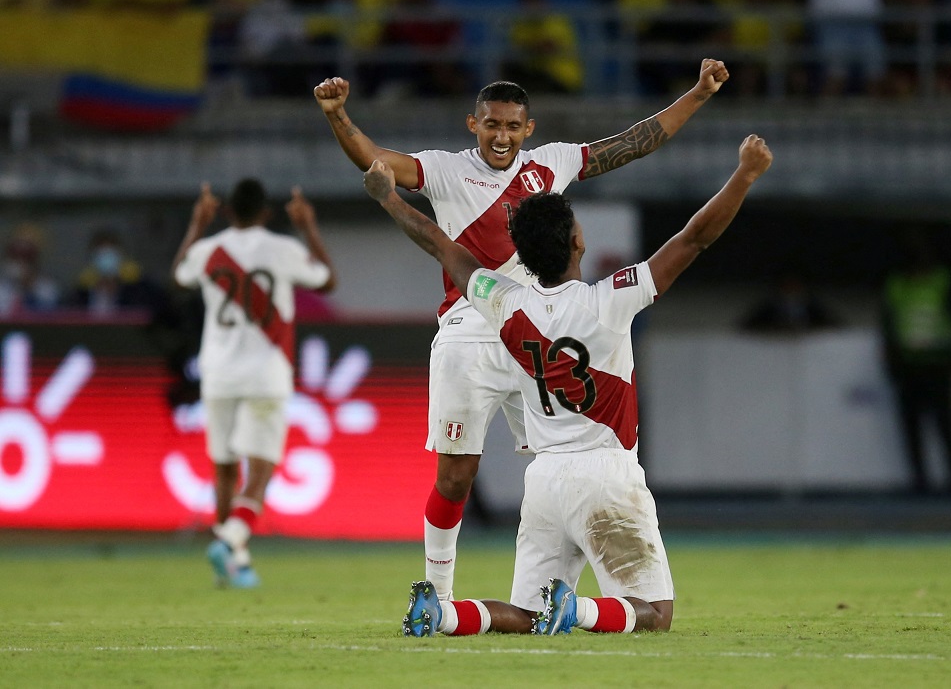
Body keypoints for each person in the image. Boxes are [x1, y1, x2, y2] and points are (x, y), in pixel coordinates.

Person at [315, 58, 730, 605]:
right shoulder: (443, 170)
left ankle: (550, 598)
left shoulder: (551, 163)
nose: (502, 135)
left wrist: (697, 94)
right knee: (456, 476)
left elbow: (634, 142)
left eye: (513, 126)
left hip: (532, 337)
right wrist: (338, 116)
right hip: (468, 331)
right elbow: (377, 161)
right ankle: (436, 594)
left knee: (559, 460)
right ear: (474, 124)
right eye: (492, 124)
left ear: (528, 129)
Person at [363, 132, 773, 635]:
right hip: (606, 474)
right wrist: (744, 176)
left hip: (543, 481)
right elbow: (694, 238)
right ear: (579, 241)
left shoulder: (503, 303)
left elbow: (443, 245)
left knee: (530, 614)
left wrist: (387, 197)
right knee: (656, 615)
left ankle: (442, 613)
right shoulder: (611, 300)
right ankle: (576, 610)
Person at [172, 179, 336, 587]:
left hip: (219, 372)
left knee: (224, 470)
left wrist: (196, 224)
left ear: (227, 211)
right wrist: (309, 226)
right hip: (266, 372)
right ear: (267, 212)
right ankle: (230, 542)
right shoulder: (284, 249)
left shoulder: (210, 251)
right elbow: (327, 281)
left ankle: (234, 561)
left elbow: (179, 276)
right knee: (260, 472)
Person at [879, 228, 951, 494]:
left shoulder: (943, 280)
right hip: (908, 366)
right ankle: (919, 480)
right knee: (912, 428)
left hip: (938, 364)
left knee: (945, 426)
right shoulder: (896, 283)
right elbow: (888, 324)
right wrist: (893, 363)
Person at [74, 228, 168, 317]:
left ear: (121, 254)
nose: (106, 256)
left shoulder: (139, 290)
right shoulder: (81, 294)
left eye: (110, 250)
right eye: (101, 251)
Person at [0, 222, 60, 317]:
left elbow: (46, 314)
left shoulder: (47, 288)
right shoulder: (2, 286)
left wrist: (28, 286)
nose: (20, 261)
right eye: (15, 255)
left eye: (26, 256)